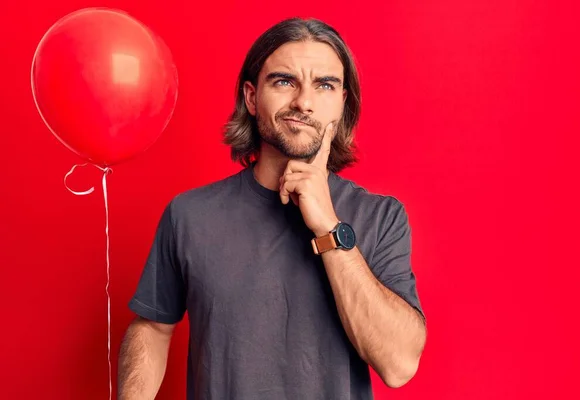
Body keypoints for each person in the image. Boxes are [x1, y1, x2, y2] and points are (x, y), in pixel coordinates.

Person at [118, 17, 427, 400]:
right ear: (251, 97)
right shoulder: (189, 215)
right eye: (284, 81)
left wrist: (328, 227)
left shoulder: (382, 217)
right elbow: (153, 327)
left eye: (325, 85)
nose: (304, 101)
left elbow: (399, 365)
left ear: (341, 103)